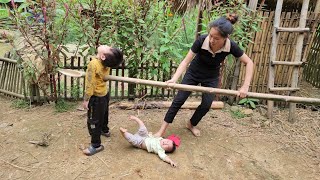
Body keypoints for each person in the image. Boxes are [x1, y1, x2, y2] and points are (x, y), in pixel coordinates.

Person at [154, 13, 254, 137]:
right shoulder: (202, 40)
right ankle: (161, 130)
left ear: (226, 38)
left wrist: (245, 86)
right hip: (193, 73)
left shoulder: (231, 46)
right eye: (211, 35)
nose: (212, 40)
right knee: (179, 100)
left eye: (216, 38)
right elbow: (186, 61)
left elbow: (249, 62)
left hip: (211, 77)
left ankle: (191, 124)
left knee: (207, 104)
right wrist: (174, 79)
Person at [82, 45, 123, 156]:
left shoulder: (93, 64)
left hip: (96, 97)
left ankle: (96, 145)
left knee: (93, 121)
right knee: (104, 113)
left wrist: (86, 99)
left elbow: (90, 84)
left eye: (109, 48)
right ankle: (104, 130)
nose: (108, 46)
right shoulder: (106, 63)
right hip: (104, 93)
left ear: (103, 57)